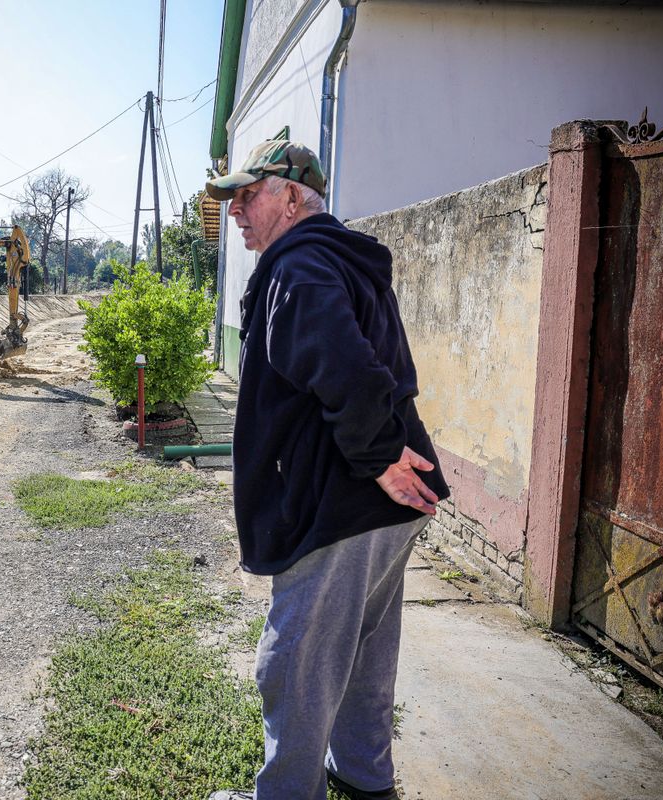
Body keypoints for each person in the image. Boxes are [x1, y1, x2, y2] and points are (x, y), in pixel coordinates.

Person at [204, 139, 450, 800]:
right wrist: (386, 452)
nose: (235, 213)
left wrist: (376, 453)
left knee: (296, 661)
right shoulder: (341, 261)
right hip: (385, 506)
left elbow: (342, 361)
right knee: (365, 652)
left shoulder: (301, 266)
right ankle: (365, 778)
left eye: (247, 196)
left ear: (290, 197)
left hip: (341, 500)